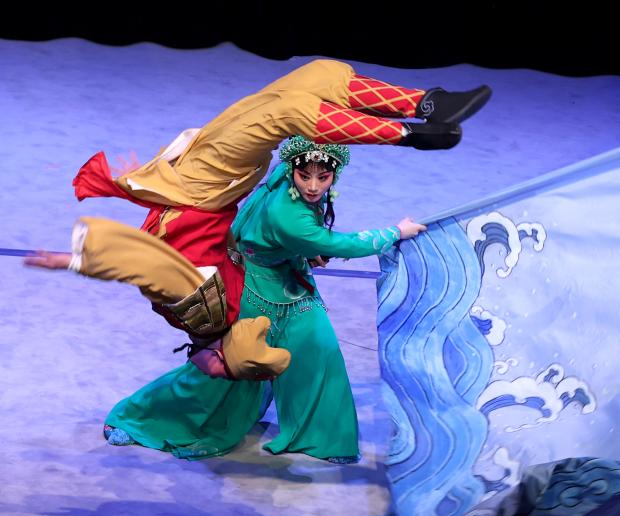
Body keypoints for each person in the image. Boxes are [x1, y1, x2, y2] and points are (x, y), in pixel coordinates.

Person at [26, 59, 491, 383]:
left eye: (221, 368)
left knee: (306, 85)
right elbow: (254, 246)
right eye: (224, 370)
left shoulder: (202, 311)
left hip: (195, 187)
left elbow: (144, 266)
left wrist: (76, 260)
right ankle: (419, 122)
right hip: (205, 188)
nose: (214, 371)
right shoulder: (227, 309)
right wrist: (306, 251)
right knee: (303, 92)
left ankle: (424, 116)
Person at [105, 136, 425, 463]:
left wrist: (300, 252)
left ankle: (325, 440)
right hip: (252, 290)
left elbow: (298, 238)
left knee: (320, 349)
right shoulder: (287, 215)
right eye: (305, 176)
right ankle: (139, 418)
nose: (314, 186)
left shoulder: (284, 178)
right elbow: (338, 244)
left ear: (335, 174)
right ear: (292, 169)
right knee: (226, 373)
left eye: (324, 177)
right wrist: (395, 232)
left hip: (293, 285)